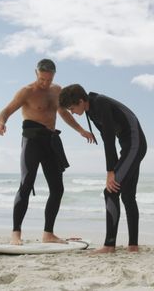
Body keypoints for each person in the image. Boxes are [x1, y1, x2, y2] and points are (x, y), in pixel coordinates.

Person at [0, 59, 95, 245]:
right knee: (26, 185)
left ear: (54, 76)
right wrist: (1, 122)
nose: (45, 83)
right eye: (42, 79)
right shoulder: (27, 92)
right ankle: (16, 233)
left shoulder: (57, 90)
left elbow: (64, 114)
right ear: (36, 74)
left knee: (57, 188)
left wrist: (81, 130)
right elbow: (6, 111)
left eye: (48, 80)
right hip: (32, 139)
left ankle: (48, 233)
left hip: (50, 140)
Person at [59, 84, 147, 253]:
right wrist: (113, 168)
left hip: (134, 145)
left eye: (72, 108)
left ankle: (109, 245)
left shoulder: (100, 104)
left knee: (110, 191)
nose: (72, 112)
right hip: (129, 146)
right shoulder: (91, 109)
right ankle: (133, 246)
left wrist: (110, 172)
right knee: (127, 196)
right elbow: (108, 136)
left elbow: (108, 138)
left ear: (80, 101)